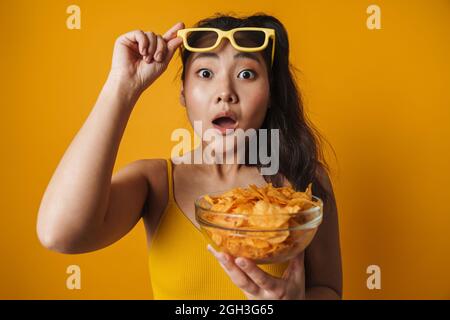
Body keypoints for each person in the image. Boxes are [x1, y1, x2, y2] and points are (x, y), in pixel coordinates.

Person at [37, 12, 342, 300]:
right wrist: (122, 86)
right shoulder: (154, 183)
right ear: (183, 92)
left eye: (246, 73)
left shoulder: (303, 181)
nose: (225, 91)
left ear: (272, 92)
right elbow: (59, 234)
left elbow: (328, 289)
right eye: (205, 73)